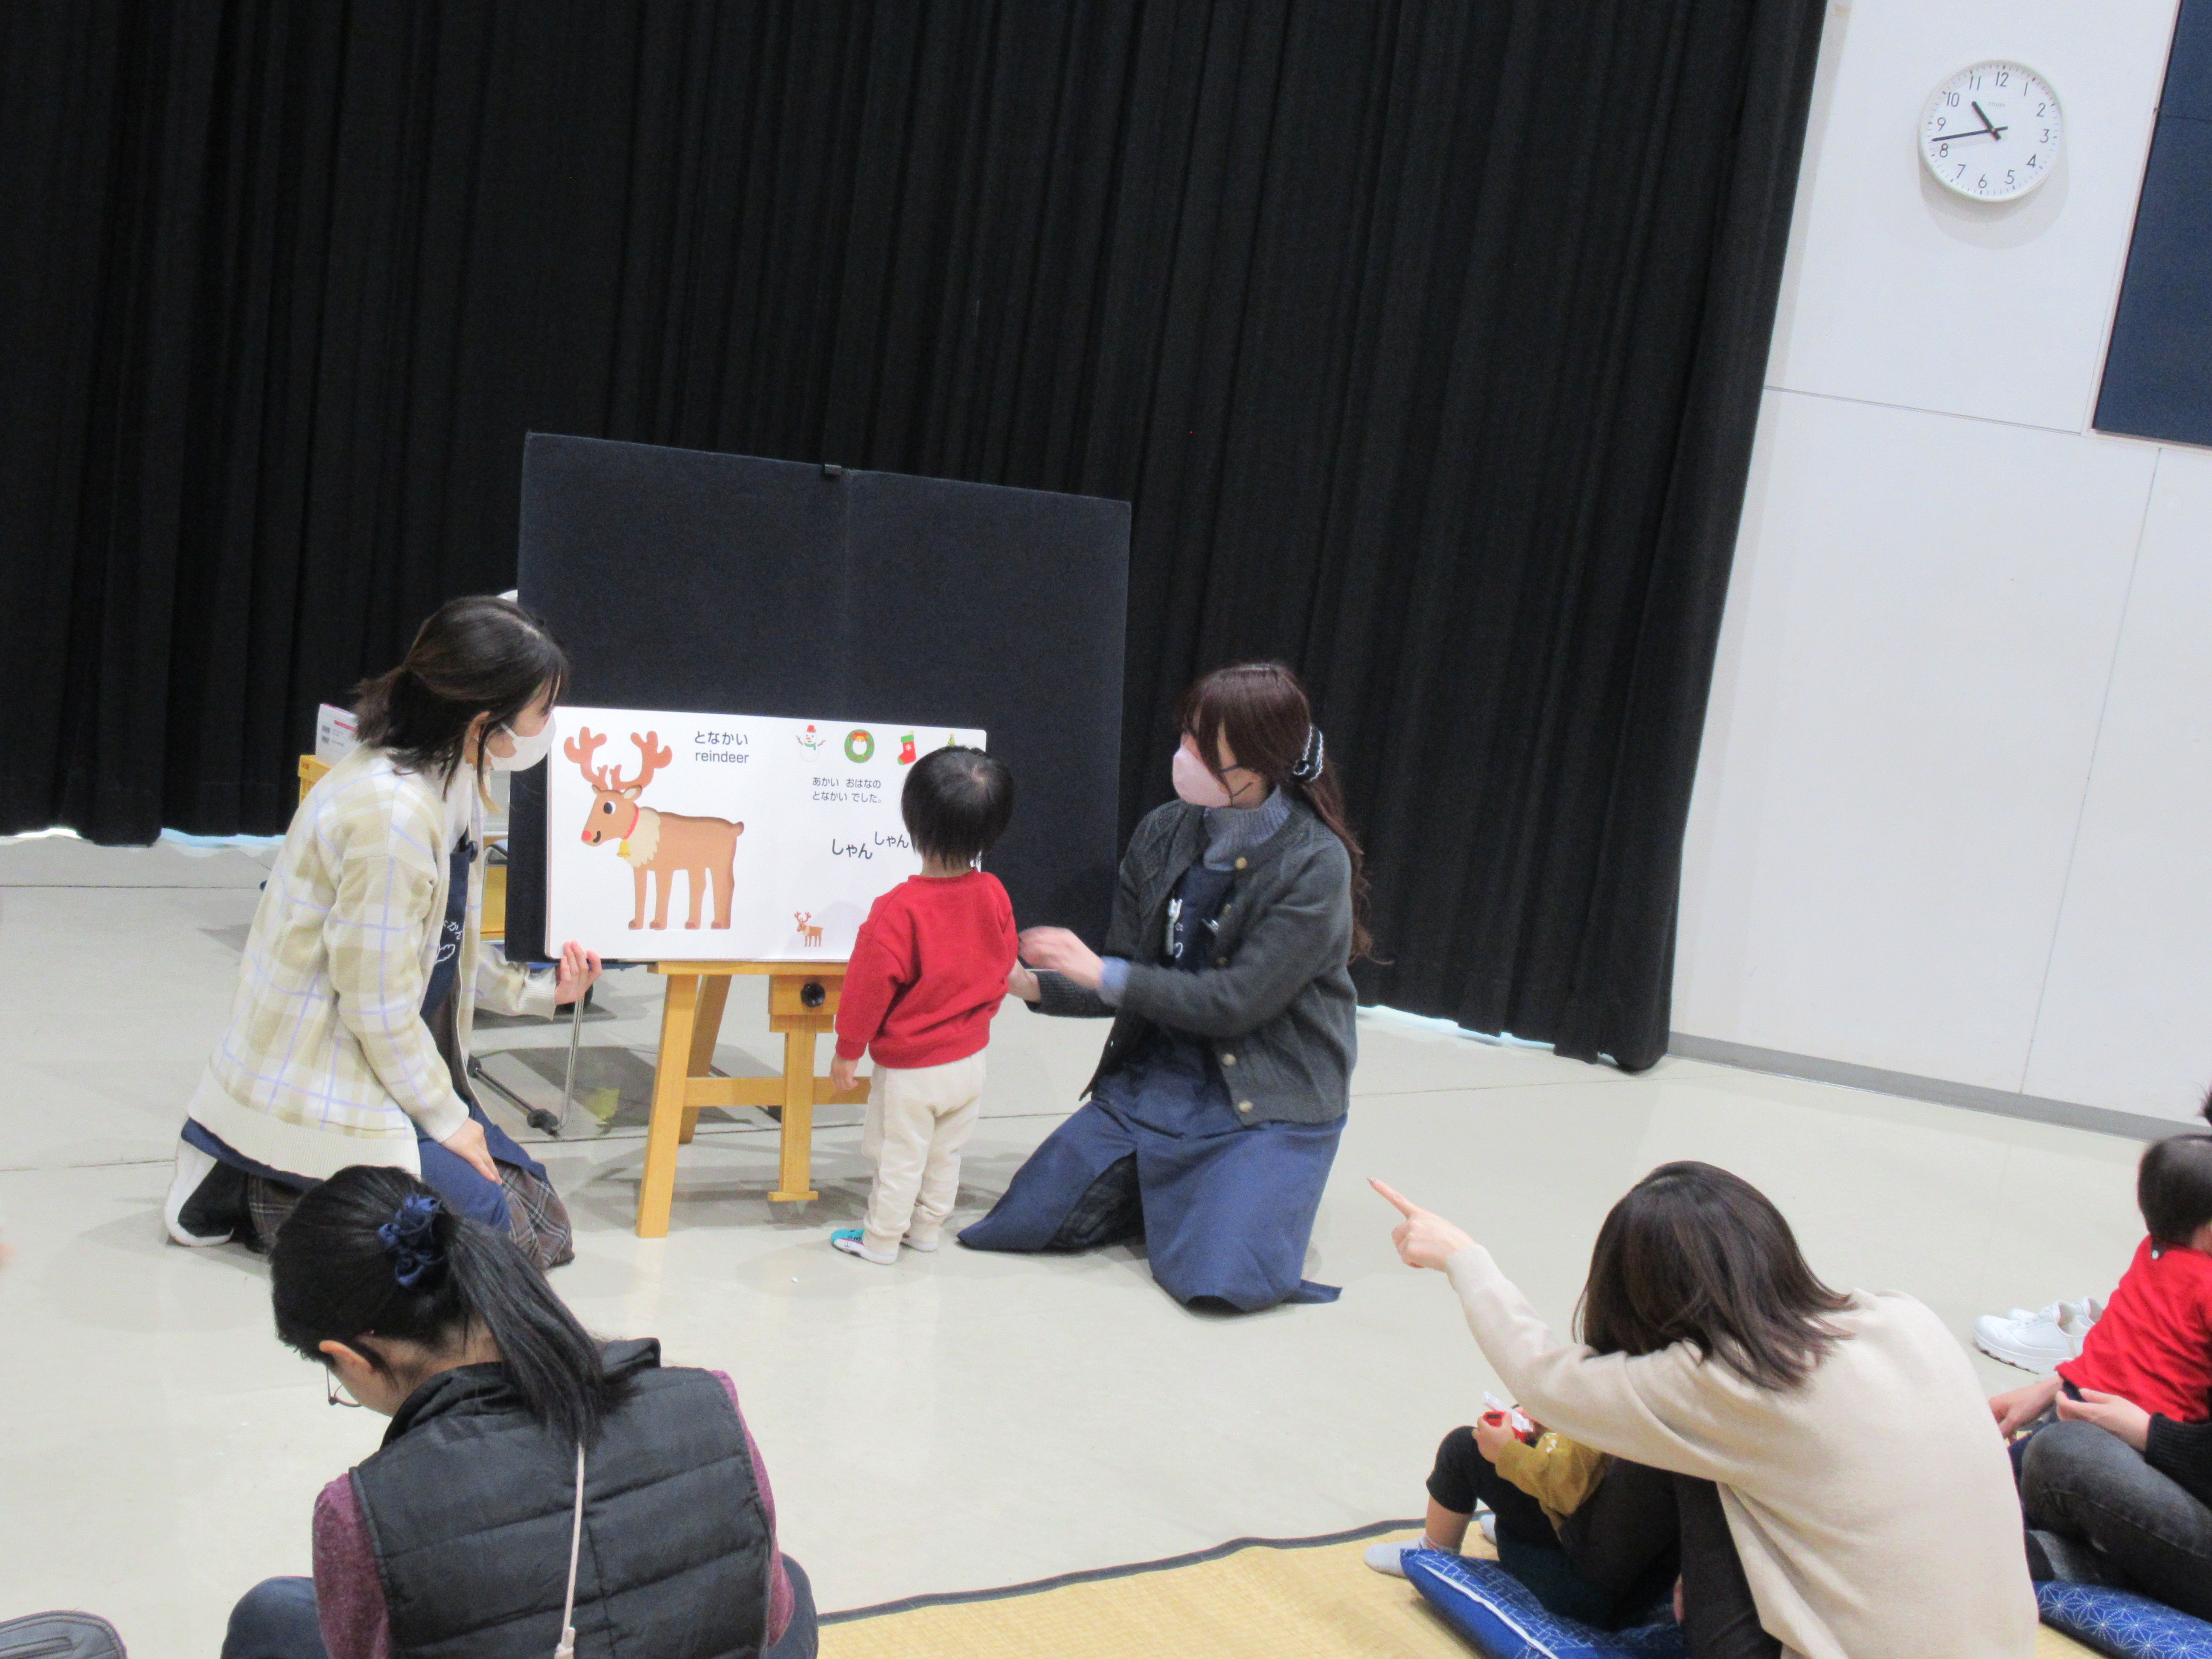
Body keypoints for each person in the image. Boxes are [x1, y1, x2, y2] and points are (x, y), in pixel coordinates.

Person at [1377, 1164, 2039, 1659]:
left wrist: (1464, 1259)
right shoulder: (1905, 1318)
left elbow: (1544, 1380)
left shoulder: (1731, 1385)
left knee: (1689, 1461)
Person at [221, 1166, 815, 1659]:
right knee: (785, 1578)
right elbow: (769, 1622)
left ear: (351, 1357)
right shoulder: (712, 1403)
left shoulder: (359, 1512)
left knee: (268, 1616)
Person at [163, 597, 602, 1264]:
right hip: (332, 1067)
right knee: (484, 1241)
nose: (550, 726)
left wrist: (542, 993)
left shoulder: (455, 777)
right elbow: (374, 1004)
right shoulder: (390, 815)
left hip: (387, 1057)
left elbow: (443, 949)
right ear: (484, 720)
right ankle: (244, 1182)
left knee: (535, 1219)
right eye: (543, 710)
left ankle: (285, 1179)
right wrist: (446, 1119)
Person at [958, 663, 1365, 1312]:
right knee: (1024, 1222)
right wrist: (1029, 984)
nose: (1186, 757)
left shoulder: (1315, 862)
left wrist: (1098, 971)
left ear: (1260, 764)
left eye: (1206, 748)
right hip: (1158, 1081)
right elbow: (1128, 972)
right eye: (1186, 737)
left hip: (1264, 1097)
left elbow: (1235, 1003)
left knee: (1223, 1281)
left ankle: (1217, 1191)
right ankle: (1173, 1190)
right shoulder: (1164, 831)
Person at [1990, 1114, 2212, 1617]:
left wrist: (2149, 1434)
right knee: (2045, 1454)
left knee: (2056, 1455)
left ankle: (2073, 1560)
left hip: (2154, 1451)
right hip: (2136, 1431)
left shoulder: (2158, 1254)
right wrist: (2067, 1380)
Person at [825, 745, 1017, 1264]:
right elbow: (1003, 964)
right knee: (944, 1153)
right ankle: (927, 1230)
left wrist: (848, 1050)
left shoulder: (898, 910)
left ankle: (881, 1240)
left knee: (899, 1156)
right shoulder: (994, 892)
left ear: (913, 820)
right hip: (970, 1060)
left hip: (913, 1068)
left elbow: (866, 992)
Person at [1367, 1410, 1679, 1631]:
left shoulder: (1614, 1401)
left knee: (1464, 1446)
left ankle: (1434, 1551)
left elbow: (1564, 1486)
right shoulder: (1681, 1413)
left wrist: (1507, 1451)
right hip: (1644, 1590)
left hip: (1582, 1589)